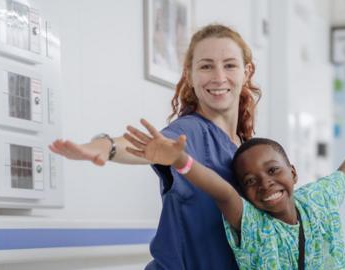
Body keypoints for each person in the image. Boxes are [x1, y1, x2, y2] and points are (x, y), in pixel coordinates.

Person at [49, 24, 260, 269]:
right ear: (190, 76)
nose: (219, 77)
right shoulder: (191, 131)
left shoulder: (246, 150)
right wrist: (106, 146)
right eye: (206, 66)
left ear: (247, 72)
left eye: (229, 65)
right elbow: (153, 146)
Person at [123, 117, 345, 269]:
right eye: (251, 180)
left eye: (273, 170)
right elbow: (223, 193)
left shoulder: (316, 200)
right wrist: (181, 160)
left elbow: (344, 176)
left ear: (293, 173)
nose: (265, 183)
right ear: (246, 192)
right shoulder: (253, 227)